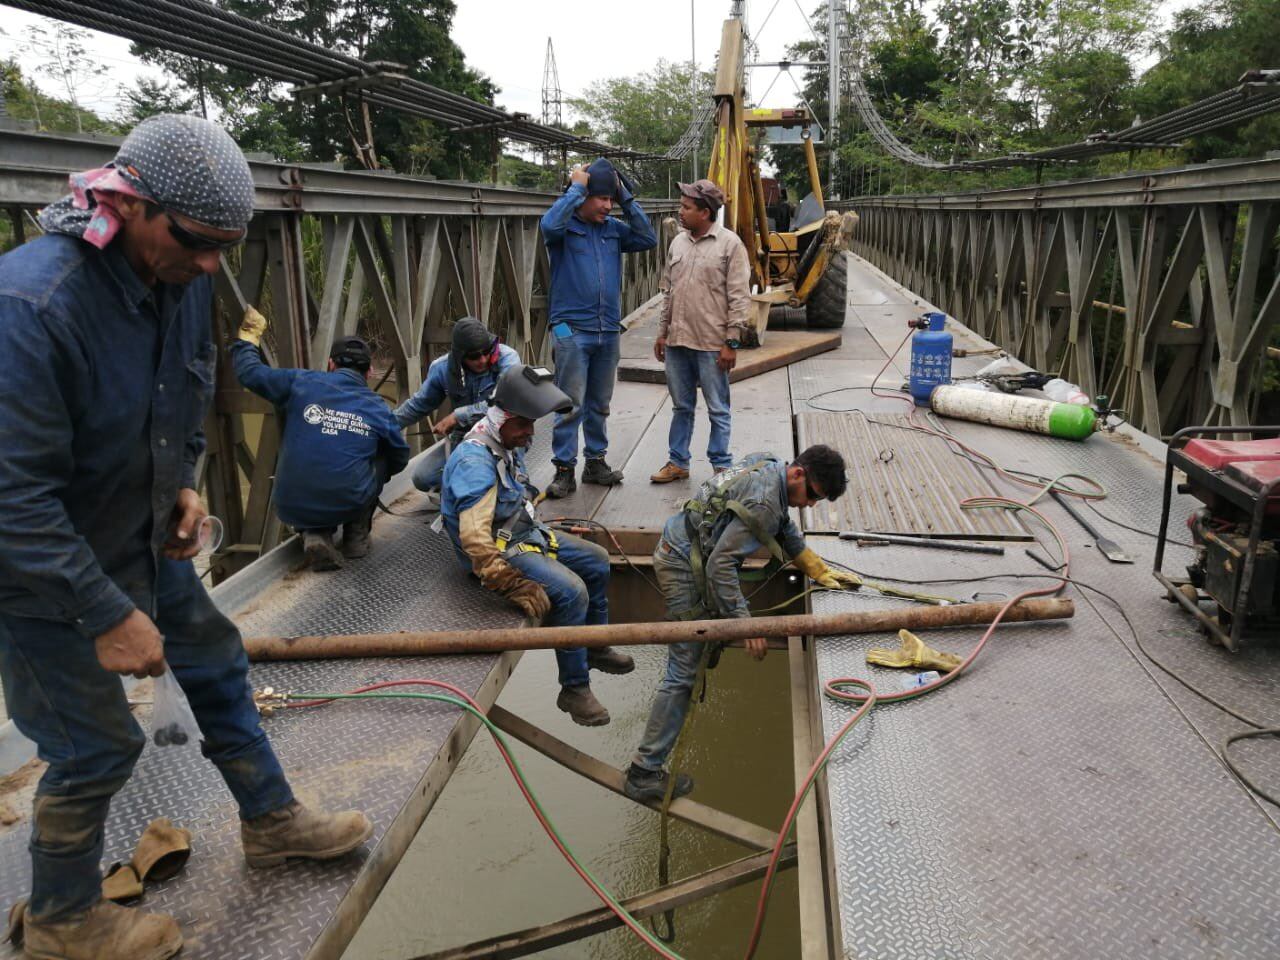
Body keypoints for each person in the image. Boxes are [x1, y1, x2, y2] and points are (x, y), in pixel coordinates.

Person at [0, 114, 372, 960]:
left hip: (139, 534)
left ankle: (272, 821)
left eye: (224, 249)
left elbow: (186, 386)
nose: (210, 265)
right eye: (197, 242)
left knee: (215, 659)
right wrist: (104, 613)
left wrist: (187, 483)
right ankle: (61, 918)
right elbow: (11, 499)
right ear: (129, 203)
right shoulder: (32, 306)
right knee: (94, 744)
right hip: (38, 569)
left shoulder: (185, 273)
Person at [623, 445, 860, 802]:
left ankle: (649, 762)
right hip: (683, 562)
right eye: (811, 495)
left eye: (817, 501)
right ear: (798, 473)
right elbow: (720, 565)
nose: (810, 505)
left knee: (695, 653)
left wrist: (815, 566)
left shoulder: (768, 463)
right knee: (684, 668)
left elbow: (780, 523)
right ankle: (644, 771)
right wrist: (745, 625)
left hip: (684, 542)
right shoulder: (765, 502)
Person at [440, 365, 635, 725]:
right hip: (499, 550)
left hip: (523, 532)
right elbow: (474, 540)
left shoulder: (502, 438)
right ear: (505, 419)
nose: (530, 435)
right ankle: (574, 688)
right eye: (525, 426)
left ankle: (593, 645)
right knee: (573, 592)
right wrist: (510, 582)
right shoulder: (474, 463)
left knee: (596, 560)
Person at [230, 317, 410, 570]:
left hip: (290, 504)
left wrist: (248, 337)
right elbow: (401, 457)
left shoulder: (299, 381)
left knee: (314, 454)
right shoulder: (376, 407)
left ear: (330, 365)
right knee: (383, 454)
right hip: (348, 500)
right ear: (369, 372)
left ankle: (314, 532)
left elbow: (249, 372)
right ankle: (355, 534)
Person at [540, 158, 658, 499]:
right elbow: (547, 225)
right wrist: (576, 187)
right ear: (583, 198)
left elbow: (647, 238)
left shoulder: (612, 230)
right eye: (601, 198)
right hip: (570, 330)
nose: (607, 206)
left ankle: (595, 463)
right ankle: (564, 470)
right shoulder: (564, 230)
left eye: (611, 199)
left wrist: (627, 199)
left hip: (607, 329)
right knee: (569, 403)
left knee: (599, 402)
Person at [650, 179, 752, 484]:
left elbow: (739, 296)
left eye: (686, 207)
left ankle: (721, 467)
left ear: (705, 212)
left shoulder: (730, 245)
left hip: (711, 343)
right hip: (678, 341)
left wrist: (731, 342)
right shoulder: (677, 243)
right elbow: (668, 291)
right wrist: (661, 332)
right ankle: (678, 462)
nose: (680, 212)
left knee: (718, 409)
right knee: (681, 406)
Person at [392, 316, 520, 498]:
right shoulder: (442, 368)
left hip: (503, 435)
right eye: (474, 356)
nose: (483, 359)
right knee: (423, 478)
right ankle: (465, 491)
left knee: (513, 487)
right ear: (459, 356)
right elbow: (418, 405)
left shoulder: (508, 358)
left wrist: (458, 416)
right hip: (465, 437)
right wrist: (385, 425)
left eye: (486, 352)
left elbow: (504, 403)